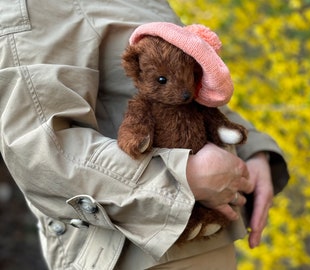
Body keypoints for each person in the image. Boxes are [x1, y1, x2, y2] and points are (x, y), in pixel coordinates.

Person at [0, 0, 289, 269]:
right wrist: (179, 176)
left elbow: (190, 96)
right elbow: (42, 150)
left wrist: (253, 151)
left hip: (205, 242)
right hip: (138, 254)